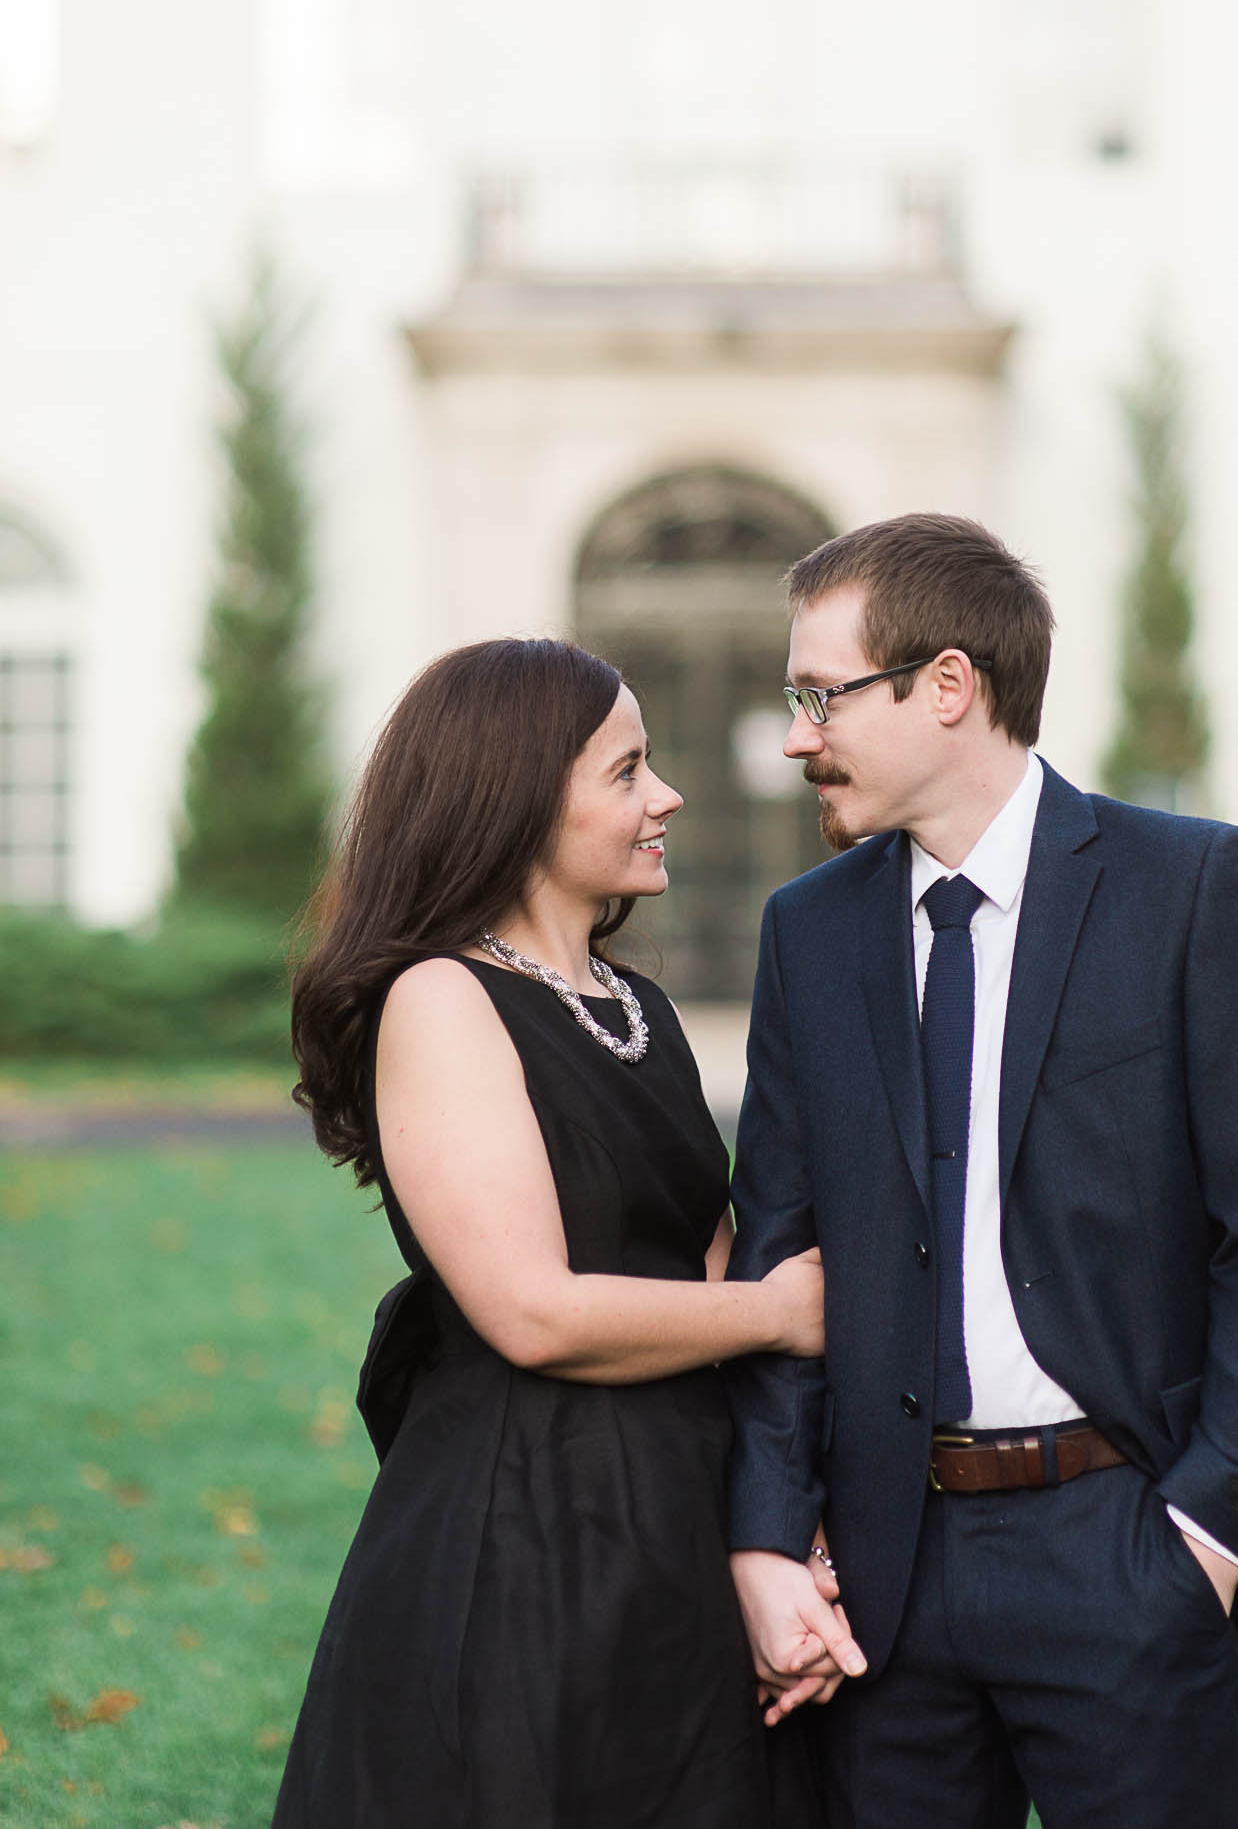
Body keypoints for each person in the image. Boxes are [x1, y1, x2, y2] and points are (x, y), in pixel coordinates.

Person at [723, 514, 1238, 1829]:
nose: (797, 737)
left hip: (1130, 1547)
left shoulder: (1188, 886)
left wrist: (1212, 1536)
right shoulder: (808, 934)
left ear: (947, 684)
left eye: (819, 695)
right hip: (885, 1580)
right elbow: (782, 1254)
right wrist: (772, 1533)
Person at [273, 637, 826, 1829]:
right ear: (518, 802)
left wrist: (787, 1532)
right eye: (628, 772)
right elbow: (529, 1310)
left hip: (678, 1516)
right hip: (530, 1533)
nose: (665, 796)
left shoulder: (641, 1008)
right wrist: (783, 1311)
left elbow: (704, 1252)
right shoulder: (443, 998)